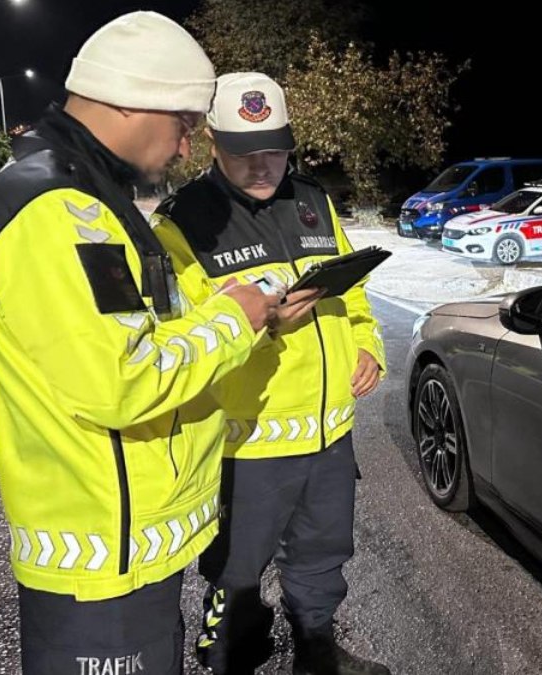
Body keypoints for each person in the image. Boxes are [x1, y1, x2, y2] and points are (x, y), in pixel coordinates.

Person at [0, 12, 280, 675]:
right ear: (138, 100)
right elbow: (122, 376)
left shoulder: (92, 197)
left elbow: (142, 328)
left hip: (128, 547)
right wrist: (233, 323)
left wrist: (224, 306)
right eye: (185, 125)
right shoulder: (55, 207)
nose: (187, 148)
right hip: (100, 562)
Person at [151, 73, 389, 675]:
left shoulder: (314, 202)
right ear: (211, 144)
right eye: (243, 154)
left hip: (329, 433)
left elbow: (352, 297)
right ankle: (231, 655)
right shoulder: (183, 225)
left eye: (275, 151)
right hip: (246, 443)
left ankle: (316, 651)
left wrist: (367, 344)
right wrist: (263, 323)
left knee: (322, 554)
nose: (263, 168)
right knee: (236, 569)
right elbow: (176, 342)